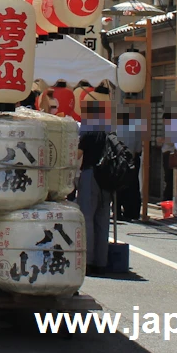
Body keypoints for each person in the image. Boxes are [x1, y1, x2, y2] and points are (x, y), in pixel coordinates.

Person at [76, 98, 112, 275]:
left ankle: (87, 260)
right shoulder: (109, 132)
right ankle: (101, 260)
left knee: (87, 217)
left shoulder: (87, 132)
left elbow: (77, 154)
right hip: (108, 177)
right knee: (103, 218)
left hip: (90, 174)